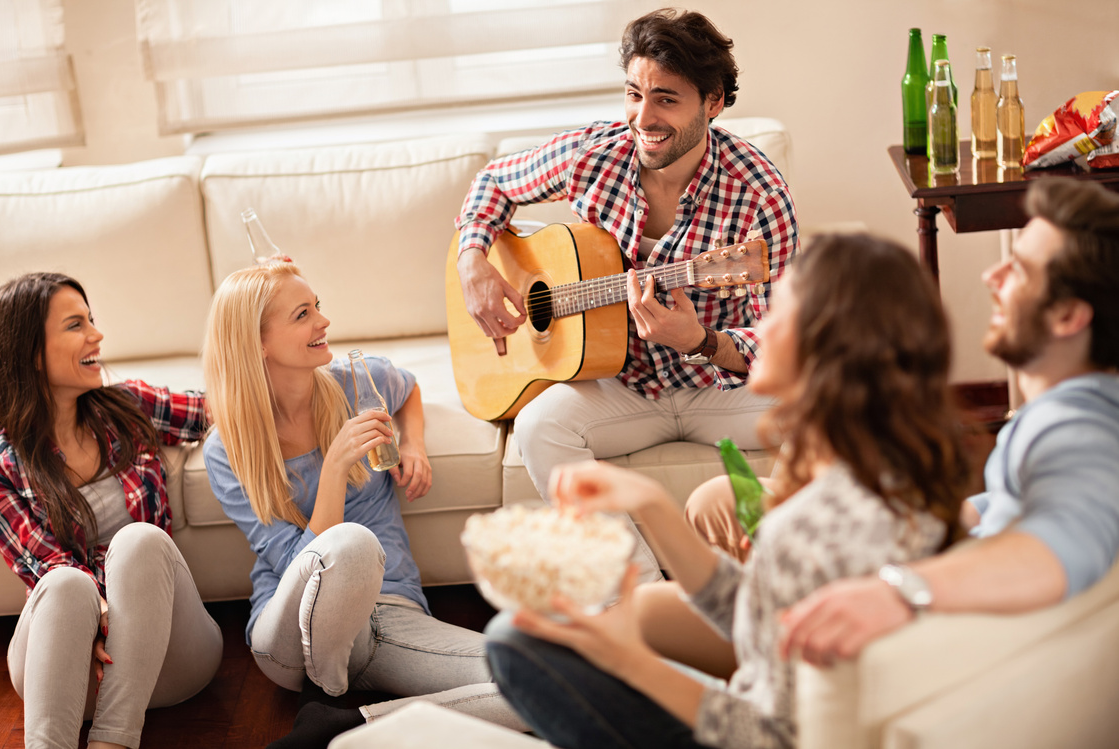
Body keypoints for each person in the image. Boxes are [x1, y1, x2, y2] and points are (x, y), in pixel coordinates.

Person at [484, 233, 971, 749]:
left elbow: (765, 733)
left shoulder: (809, 525)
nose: (757, 330)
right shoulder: (893, 474)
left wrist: (628, 661)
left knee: (514, 641)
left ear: (824, 347)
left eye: (776, 312)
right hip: (780, 700)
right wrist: (648, 504)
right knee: (546, 635)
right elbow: (758, 617)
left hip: (747, 731)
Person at [454, 9, 798, 515]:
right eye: (635, 94)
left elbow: (779, 343)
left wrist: (700, 341)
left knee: (847, 404)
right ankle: (629, 591)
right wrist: (473, 260)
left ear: (714, 102)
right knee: (538, 426)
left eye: (666, 99)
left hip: (721, 389)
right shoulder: (594, 155)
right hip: (620, 384)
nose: (642, 118)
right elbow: (493, 183)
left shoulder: (760, 195)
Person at [778, 177, 1119, 667]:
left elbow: (1067, 542)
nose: (991, 276)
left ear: (1067, 315)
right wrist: (923, 521)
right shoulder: (1073, 408)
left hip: (917, 648)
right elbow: (1008, 502)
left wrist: (898, 590)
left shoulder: (1075, 429)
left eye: (1018, 270)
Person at [201, 261, 524, 749]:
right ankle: (329, 682)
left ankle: (348, 723)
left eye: (318, 307)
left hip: (387, 616)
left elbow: (408, 385)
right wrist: (334, 467)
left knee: (544, 680)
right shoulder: (228, 448)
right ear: (258, 342)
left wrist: (413, 444)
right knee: (349, 543)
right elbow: (295, 565)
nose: (323, 322)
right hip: (291, 629)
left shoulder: (355, 382)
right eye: (302, 314)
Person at [0, 272, 223, 749]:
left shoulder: (127, 405)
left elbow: (228, 409)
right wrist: (97, 616)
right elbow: (43, 564)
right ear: (31, 352)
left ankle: (113, 741)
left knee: (138, 540)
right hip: (71, 673)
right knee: (62, 583)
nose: (97, 335)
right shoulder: (2, 460)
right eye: (77, 325)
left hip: (166, 657)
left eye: (92, 320)